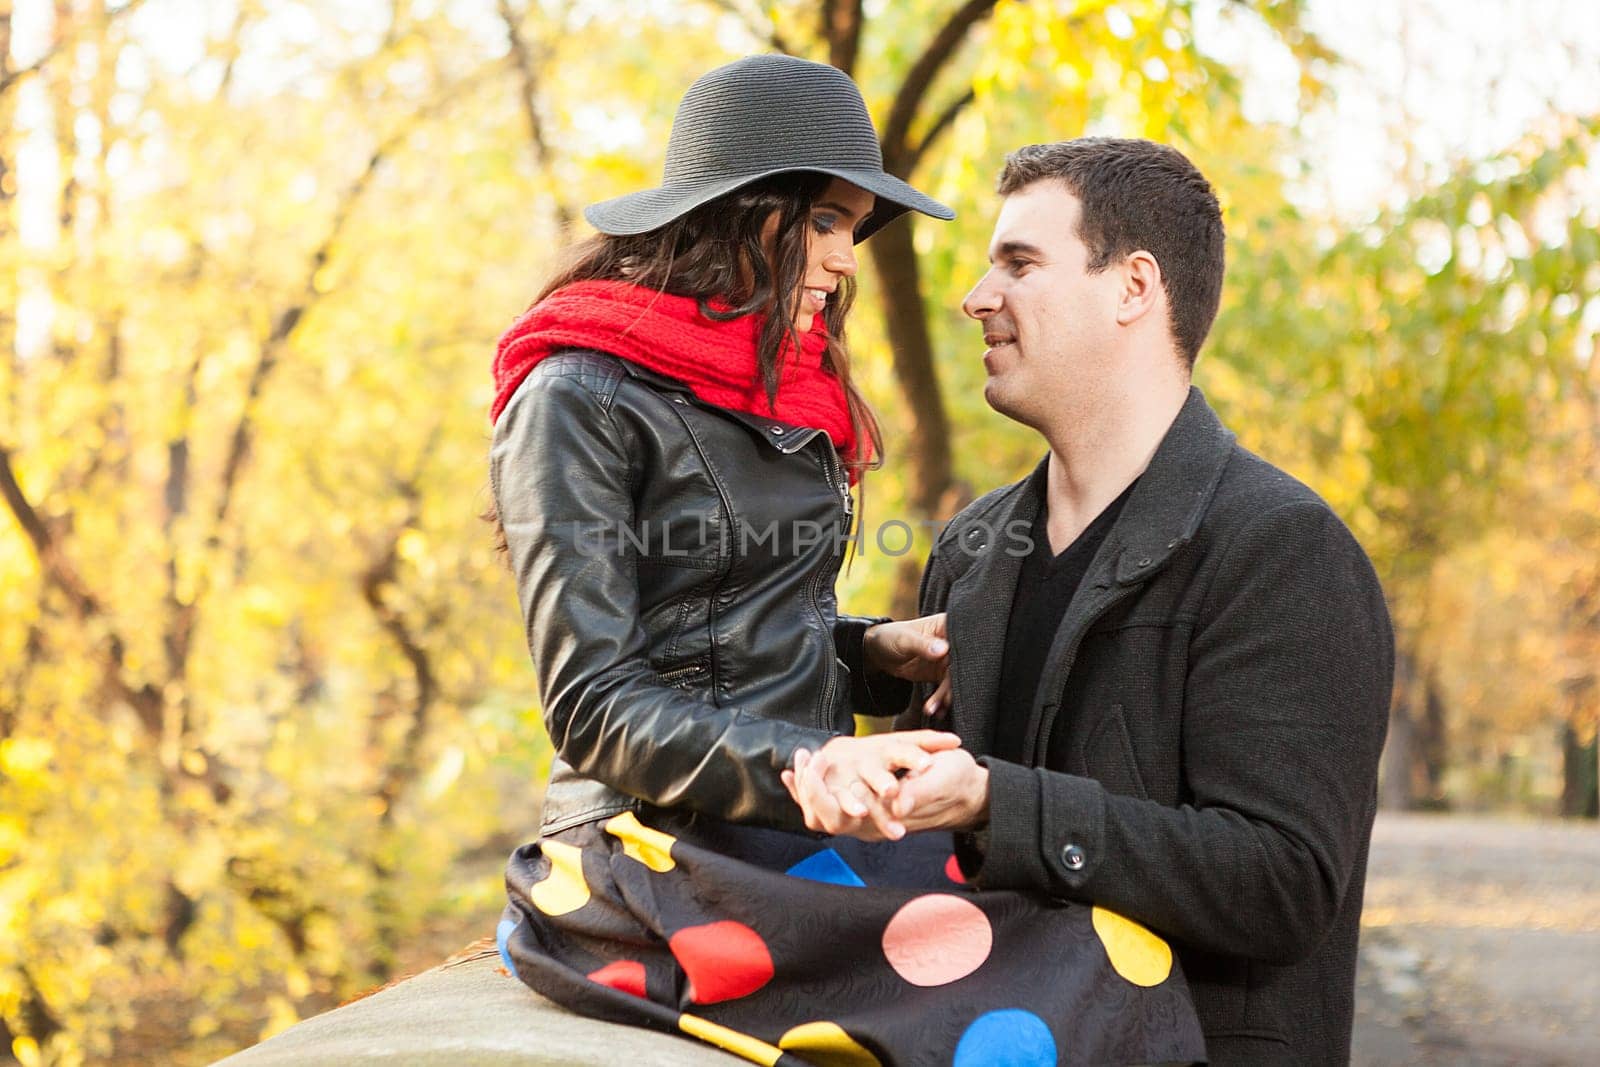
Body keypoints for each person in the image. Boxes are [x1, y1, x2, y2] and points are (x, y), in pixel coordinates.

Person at [490, 59, 1205, 1065]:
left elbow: (731, 631)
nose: (843, 258)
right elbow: (595, 702)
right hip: (650, 853)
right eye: (825, 220)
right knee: (1053, 989)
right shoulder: (574, 397)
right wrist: (804, 762)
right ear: (742, 211)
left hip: (783, 830)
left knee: (1110, 939)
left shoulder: (778, 389)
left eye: (852, 228)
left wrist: (878, 653)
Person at [785, 136, 1396, 1065]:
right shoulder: (973, 546)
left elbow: (1284, 882)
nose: (977, 297)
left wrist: (1001, 803)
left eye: (1019, 263)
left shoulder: (1283, 550)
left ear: (1133, 287)